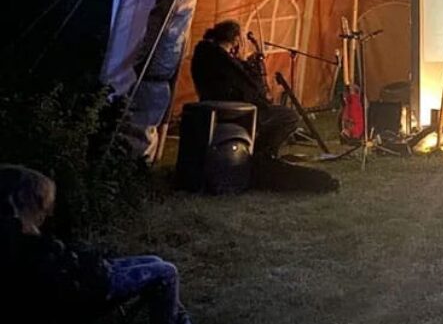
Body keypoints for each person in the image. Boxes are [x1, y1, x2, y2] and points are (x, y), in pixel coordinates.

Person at [0, 165, 192, 324]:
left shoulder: (14, 234)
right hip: (88, 292)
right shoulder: (26, 243)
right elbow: (61, 276)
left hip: (85, 279)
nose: (46, 214)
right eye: (43, 205)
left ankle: (180, 319)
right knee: (167, 271)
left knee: (155, 260)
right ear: (26, 201)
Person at [190, 20, 298, 159]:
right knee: (289, 116)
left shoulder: (205, 54)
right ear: (236, 40)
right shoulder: (225, 61)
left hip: (215, 105)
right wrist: (245, 61)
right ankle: (261, 155)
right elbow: (253, 89)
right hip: (235, 111)